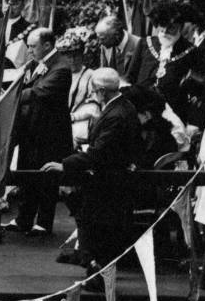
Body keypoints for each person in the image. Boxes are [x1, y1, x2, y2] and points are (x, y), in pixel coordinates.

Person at [43, 66, 140, 278]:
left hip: (108, 184)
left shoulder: (116, 115)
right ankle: (94, 264)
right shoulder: (123, 107)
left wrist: (65, 165)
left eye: (93, 91)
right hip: (109, 180)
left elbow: (100, 153)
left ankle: (97, 269)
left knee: (96, 227)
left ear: (101, 91)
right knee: (93, 224)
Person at [10, 27, 75, 238]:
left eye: (33, 46)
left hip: (51, 133)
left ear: (47, 45)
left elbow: (40, 92)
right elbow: (26, 81)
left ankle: (44, 223)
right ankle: (24, 219)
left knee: (47, 178)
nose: (29, 50)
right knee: (27, 172)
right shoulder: (36, 63)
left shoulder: (62, 67)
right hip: (31, 129)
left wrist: (12, 95)